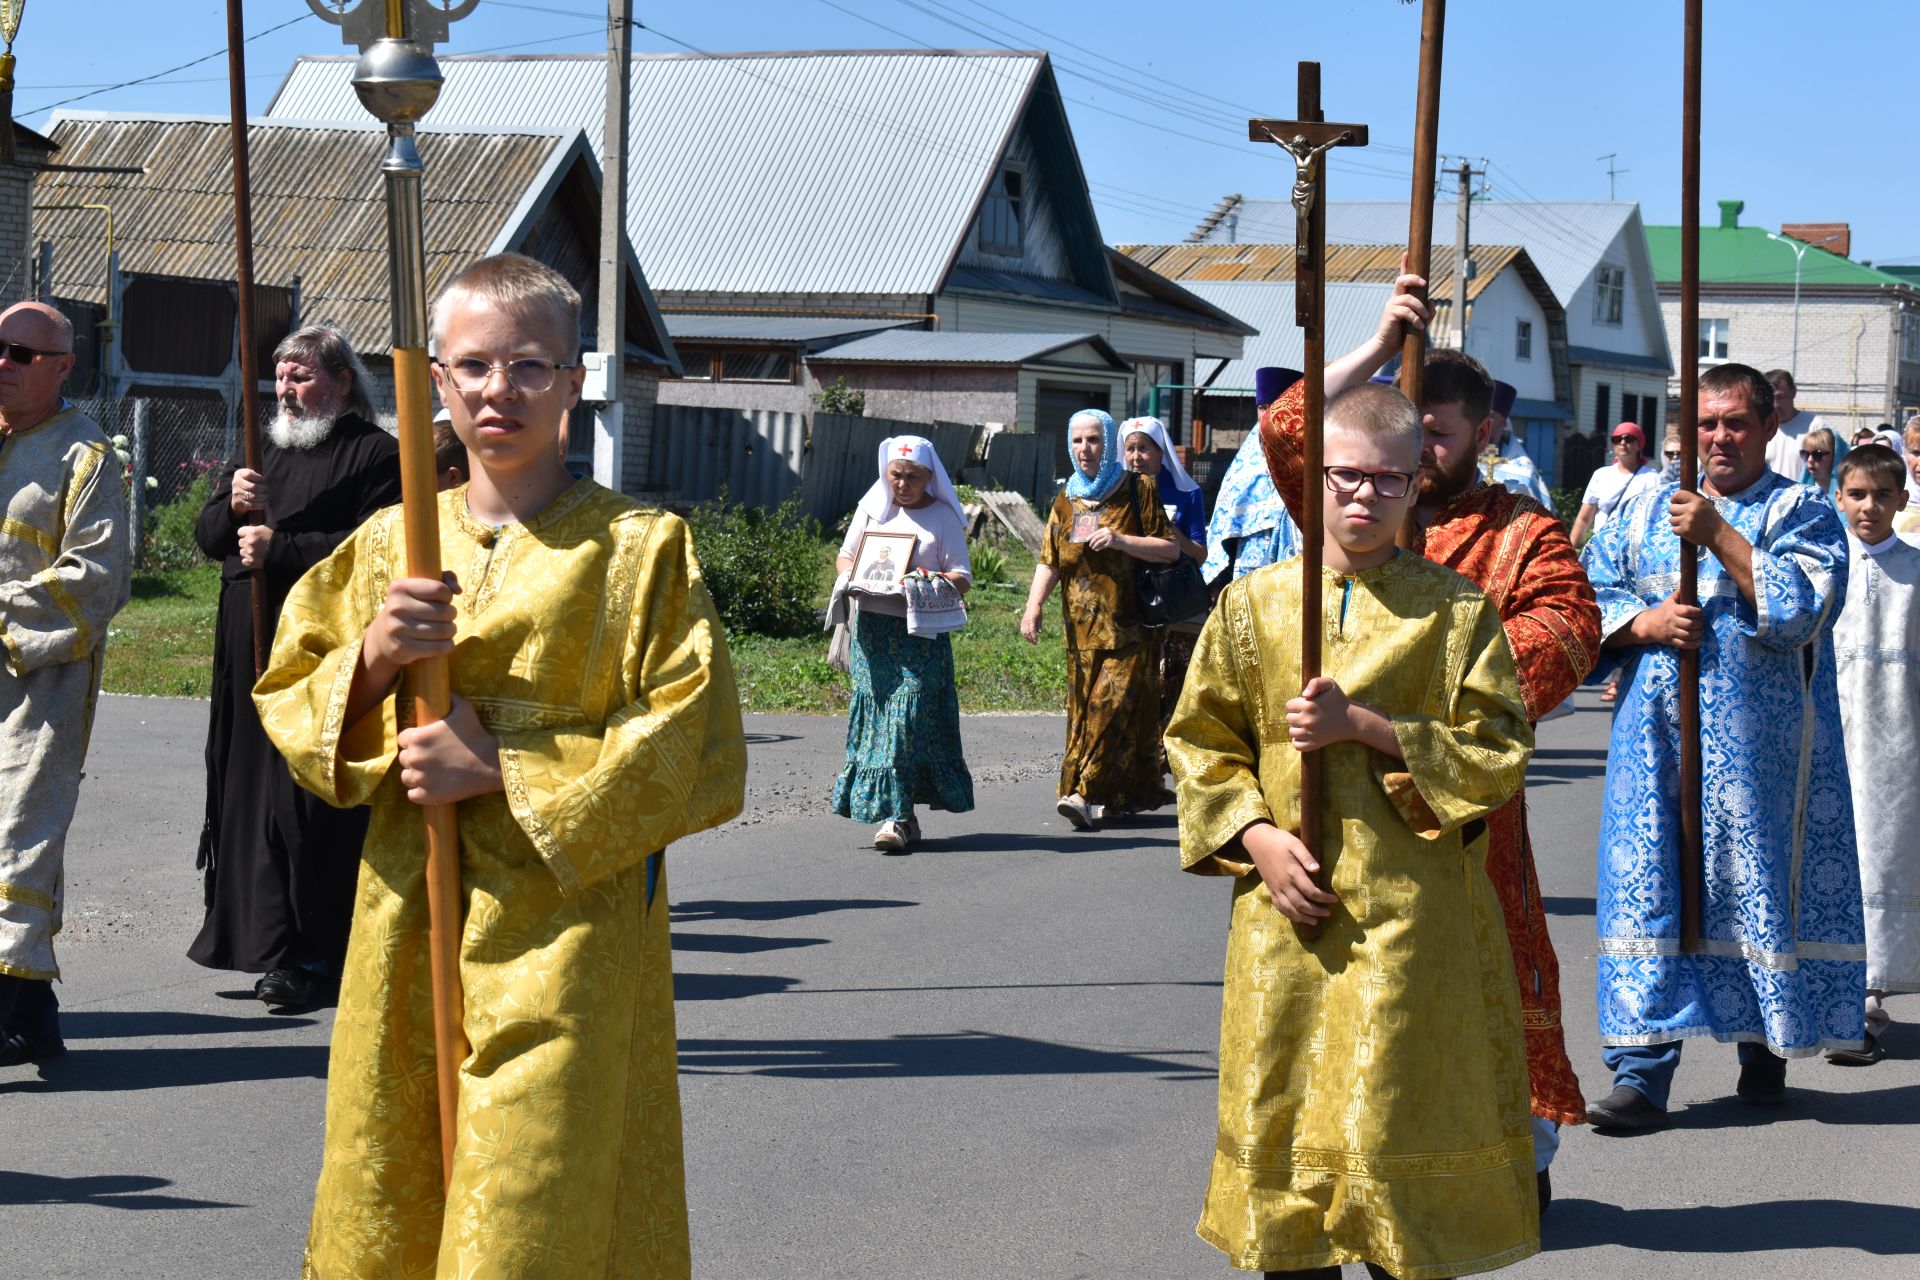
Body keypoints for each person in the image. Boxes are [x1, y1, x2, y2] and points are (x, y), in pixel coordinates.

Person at [252, 253, 746, 1274]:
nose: (498, 390)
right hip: (405, 917)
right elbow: (291, 707)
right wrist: (378, 656)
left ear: (575, 379)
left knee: (530, 1199)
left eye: (529, 365)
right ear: (434, 378)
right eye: (473, 366)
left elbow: (695, 745)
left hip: (570, 935)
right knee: (395, 1178)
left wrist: (503, 762)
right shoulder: (389, 543)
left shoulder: (640, 550)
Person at [1167, 382, 1539, 1280]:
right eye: (1345, 477)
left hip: (1409, 930)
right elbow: (1198, 742)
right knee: (1288, 1132)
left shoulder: (1454, 614)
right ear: (1314, 479)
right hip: (1284, 921)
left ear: (1419, 485)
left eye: (1386, 480)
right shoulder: (1253, 605)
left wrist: (1368, 729)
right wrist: (1254, 837)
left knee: (1388, 1139)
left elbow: (1498, 754)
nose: (1363, 497)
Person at [1261, 284, 1601, 1203]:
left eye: (1438, 436)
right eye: (1406, 438)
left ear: (1480, 433)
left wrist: (1410, 695)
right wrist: (1376, 347)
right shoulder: (1354, 509)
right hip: (1338, 818)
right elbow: (1290, 426)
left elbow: (1567, 634)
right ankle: (1358, 1174)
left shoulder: (1521, 533)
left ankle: (1508, 1170)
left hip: (1459, 816)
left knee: (1478, 992)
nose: (1416, 457)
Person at [1580, 362, 1865, 1130]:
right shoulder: (1645, 509)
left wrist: (1718, 536)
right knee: (1653, 883)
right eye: (1706, 423)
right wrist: (1640, 627)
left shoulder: (1800, 508)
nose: (1718, 437)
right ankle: (1642, 1073)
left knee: (1751, 886)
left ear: (1769, 426)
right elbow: (1588, 591)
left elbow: (1803, 609)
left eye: (1735, 422)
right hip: (1653, 742)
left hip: (1759, 754)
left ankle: (1762, 1046)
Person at [190, 324, 401, 1007]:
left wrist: (280, 548)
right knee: (244, 796)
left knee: (303, 802)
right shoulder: (256, 454)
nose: (287, 388)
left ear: (342, 382)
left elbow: (378, 549)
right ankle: (256, 942)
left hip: (321, 655)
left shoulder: (375, 456)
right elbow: (210, 540)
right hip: (244, 650)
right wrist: (231, 505)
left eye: (303, 375)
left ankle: (314, 955)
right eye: (281, 375)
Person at [0, 301, 131, 1067]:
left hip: (36, 683)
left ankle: (11, 1012)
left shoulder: (87, 458)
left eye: (22, 353)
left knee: (19, 837)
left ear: (60, 367)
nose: (6, 364)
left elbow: (96, 579)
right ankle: (36, 1015)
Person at [1020, 408, 1179, 831]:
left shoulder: (1136, 487)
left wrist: (1123, 540)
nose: (1085, 449)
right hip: (1080, 629)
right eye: (1077, 441)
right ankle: (1117, 793)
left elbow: (1169, 549)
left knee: (1107, 706)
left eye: (1093, 440)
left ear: (1108, 443)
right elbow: (1049, 561)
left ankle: (1081, 792)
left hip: (1131, 625)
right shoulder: (1066, 498)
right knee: (1086, 711)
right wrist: (1033, 607)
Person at [831, 435, 974, 853]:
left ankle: (897, 815)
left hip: (919, 637)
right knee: (882, 723)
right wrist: (851, 577)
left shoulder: (944, 517)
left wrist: (926, 580)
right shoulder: (872, 508)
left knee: (906, 720)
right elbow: (845, 556)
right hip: (874, 635)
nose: (903, 484)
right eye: (896, 475)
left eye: (913, 476)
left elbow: (962, 577)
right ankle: (901, 816)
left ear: (930, 477)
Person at [1829, 443, 1920, 1064]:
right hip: (1829, 733)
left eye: (1883, 495)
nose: (1869, 506)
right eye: (1858, 494)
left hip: (1897, 745)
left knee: (1883, 861)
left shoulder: (1916, 569)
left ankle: (1867, 998)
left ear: (1903, 501)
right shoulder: (1822, 566)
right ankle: (1833, 995)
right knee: (1832, 860)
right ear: (1840, 499)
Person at [1201, 368, 1306, 587]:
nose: (1267, 414)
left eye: (1275, 406)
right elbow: (1226, 518)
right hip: (1250, 559)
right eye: (1262, 407)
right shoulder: (1245, 462)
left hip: (1296, 556)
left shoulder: (1312, 453)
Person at [1569, 422, 1658, 546]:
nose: (1622, 443)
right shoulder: (1601, 475)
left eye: (1629, 439)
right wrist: (1570, 551)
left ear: (1639, 444)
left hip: (1634, 546)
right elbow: (1584, 518)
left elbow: (1656, 518)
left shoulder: (1651, 477)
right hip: (1602, 545)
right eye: (1617, 439)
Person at [1483, 378, 1555, 507]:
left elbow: (1543, 514)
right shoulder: (1458, 458)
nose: (1483, 421)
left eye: (1491, 416)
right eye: (1480, 414)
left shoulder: (1523, 471)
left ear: (1502, 425)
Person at [1762, 368, 1829, 481]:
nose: (1776, 404)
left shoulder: (1816, 426)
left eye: (1780, 397)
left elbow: (1830, 471)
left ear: (1793, 392)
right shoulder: (1762, 429)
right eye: (1771, 398)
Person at [1798, 424, 1840, 499]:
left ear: (1834, 455)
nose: (1810, 460)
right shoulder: (1800, 493)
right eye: (1806, 454)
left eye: (1817, 454)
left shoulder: (1849, 492)